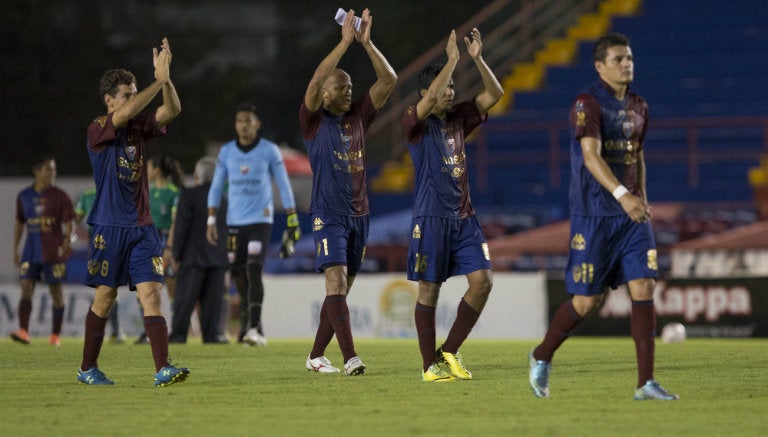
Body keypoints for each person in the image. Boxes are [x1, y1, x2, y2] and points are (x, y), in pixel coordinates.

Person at [528, 33, 678, 401]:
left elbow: (637, 155)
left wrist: (640, 197)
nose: (626, 63)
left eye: (629, 57)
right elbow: (591, 157)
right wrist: (624, 195)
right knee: (586, 302)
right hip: (594, 214)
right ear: (600, 66)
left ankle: (645, 383)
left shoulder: (640, 105)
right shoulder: (587, 103)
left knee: (643, 286)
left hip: (630, 217)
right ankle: (541, 355)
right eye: (618, 59)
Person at [78, 37, 189, 386]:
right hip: (109, 225)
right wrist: (156, 82)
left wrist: (166, 79)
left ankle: (162, 368)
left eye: (134, 92)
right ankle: (87, 368)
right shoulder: (98, 128)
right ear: (110, 100)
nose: (132, 100)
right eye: (127, 94)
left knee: (152, 293)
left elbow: (172, 111)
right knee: (105, 296)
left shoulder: (138, 129)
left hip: (142, 227)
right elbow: (125, 113)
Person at [401, 29, 503, 382]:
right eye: (445, 88)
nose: (451, 92)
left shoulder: (458, 117)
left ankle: (450, 350)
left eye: (453, 88)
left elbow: (495, 94)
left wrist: (476, 58)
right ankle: (429, 365)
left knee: (483, 282)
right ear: (427, 92)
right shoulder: (414, 122)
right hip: (430, 219)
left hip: (465, 219)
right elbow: (428, 102)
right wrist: (452, 60)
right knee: (429, 290)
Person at [300, 8, 396, 375]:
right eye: (341, 87)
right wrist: (343, 44)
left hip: (361, 215)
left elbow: (388, 79)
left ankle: (314, 356)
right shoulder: (312, 120)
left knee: (340, 290)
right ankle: (350, 356)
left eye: (350, 87)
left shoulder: (358, 116)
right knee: (336, 282)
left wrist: (367, 44)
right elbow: (314, 81)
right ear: (325, 94)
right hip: (329, 213)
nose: (348, 91)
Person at [206, 102, 299, 347]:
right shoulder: (226, 152)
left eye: (248, 120)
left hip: (261, 219)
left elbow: (283, 183)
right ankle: (250, 319)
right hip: (235, 222)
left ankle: (255, 329)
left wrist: (292, 217)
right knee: (237, 272)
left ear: (257, 124)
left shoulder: (269, 151)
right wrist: (211, 219)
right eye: (239, 121)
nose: (243, 125)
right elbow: (216, 186)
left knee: (254, 268)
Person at [10, 156, 75, 347]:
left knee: (56, 292)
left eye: (54, 170)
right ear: (37, 172)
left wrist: (67, 241)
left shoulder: (60, 196)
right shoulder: (24, 196)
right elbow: (20, 223)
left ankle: (55, 335)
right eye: (49, 169)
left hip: (53, 252)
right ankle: (23, 331)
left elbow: (69, 222)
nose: (52, 173)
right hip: (30, 251)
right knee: (26, 286)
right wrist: (15, 248)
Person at [170, 157, 229, 344]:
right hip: (217, 259)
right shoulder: (224, 198)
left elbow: (181, 228)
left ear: (197, 175)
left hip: (192, 258)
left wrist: (175, 254)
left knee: (184, 302)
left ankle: (179, 336)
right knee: (212, 306)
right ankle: (212, 337)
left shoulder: (188, 195)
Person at [134, 154, 182, 344]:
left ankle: (177, 329)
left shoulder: (173, 192)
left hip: (165, 241)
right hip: (147, 241)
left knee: (171, 287)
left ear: (157, 170)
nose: (147, 172)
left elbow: (175, 222)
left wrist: (169, 246)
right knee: (143, 288)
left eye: (149, 168)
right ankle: (147, 332)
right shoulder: (147, 192)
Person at [75, 187, 125, 344]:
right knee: (104, 290)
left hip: (115, 245)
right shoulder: (87, 196)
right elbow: (73, 220)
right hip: (96, 249)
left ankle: (111, 331)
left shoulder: (118, 193)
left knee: (108, 289)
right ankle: (109, 331)